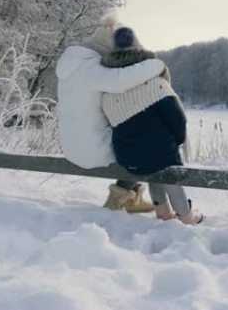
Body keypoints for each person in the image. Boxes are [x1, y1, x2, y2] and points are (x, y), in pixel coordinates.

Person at [56, 16, 162, 212]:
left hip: (71, 144)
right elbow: (121, 80)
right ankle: (118, 199)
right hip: (92, 149)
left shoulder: (73, 65)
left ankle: (134, 198)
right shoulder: (91, 67)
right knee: (148, 145)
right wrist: (156, 65)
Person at [100, 27, 204, 225]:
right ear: (138, 47)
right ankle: (186, 215)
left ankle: (162, 210)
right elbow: (177, 119)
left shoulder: (107, 89)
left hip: (127, 156)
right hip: (160, 153)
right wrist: (177, 140)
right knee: (164, 161)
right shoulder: (154, 82)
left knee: (153, 160)